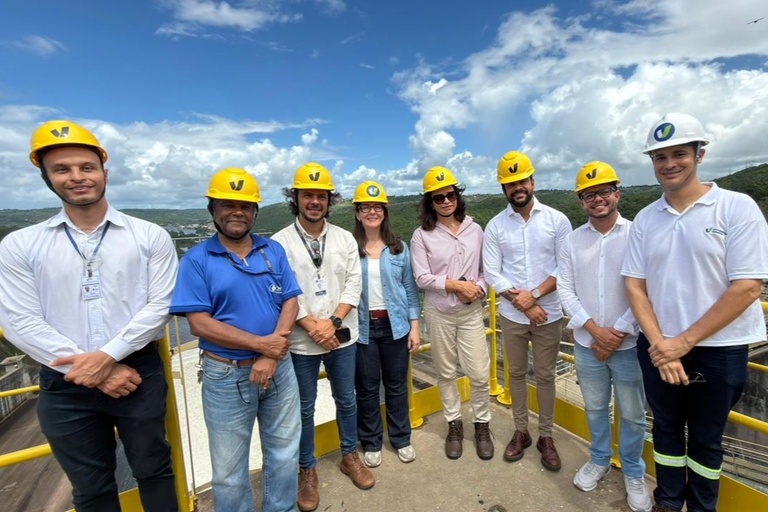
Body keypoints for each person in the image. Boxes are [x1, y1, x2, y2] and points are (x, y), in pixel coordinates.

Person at [0, 120, 178, 511]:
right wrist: (100, 368)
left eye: (86, 167)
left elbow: (159, 305)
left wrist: (105, 357)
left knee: (155, 471)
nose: (77, 177)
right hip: (66, 384)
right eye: (62, 169)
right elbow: (19, 321)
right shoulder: (21, 246)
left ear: (104, 173)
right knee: (91, 488)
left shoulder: (149, 236)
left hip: (138, 375)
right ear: (45, 176)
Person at [622, 113, 768, 512]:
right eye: (660, 157)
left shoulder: (736, 208)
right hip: (657, 346)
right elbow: (634, 285)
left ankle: (703, 508)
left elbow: (748, 287)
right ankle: (668, 502)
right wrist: (660, 345)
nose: (669, 163)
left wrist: (679, 345)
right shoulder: (647, 219)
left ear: (700, 155)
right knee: (666, 431)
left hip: (719, 349)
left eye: (679, 154)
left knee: (706, 437)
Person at [169, 168, 302, 512]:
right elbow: (199, 324)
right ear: (213, 210)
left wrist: (272, 354)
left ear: (255, 211)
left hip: (279, 368)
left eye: (245, 205)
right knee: (229, 471)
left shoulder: (272, 249)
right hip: (226, 375)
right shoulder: (197, 260)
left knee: (285, 452)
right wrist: (263, 347)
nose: (237, 212)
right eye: (228, 204)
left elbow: (290, 299)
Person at [271, 162, 371, 512]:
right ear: (295, 198)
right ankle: (307, 469)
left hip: (340, 336)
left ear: (330, 201)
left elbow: (354, 283)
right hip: (301, 341)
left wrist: (331, 322)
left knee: (347, 399)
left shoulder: (344, 238)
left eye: (321, 196)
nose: (315, 201)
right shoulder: (278, 243)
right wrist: (310, 325)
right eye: (308, 195)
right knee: (302, 408)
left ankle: (349, 455)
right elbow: (281, 292)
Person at [557, 162, 652, 512]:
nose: (597, 199)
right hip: (587, 342)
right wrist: (595, 331)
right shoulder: (572, 241)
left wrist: (619, 332)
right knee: (595, 407)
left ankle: (632, 472)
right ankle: (598, 458)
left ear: (617, 194)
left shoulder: (637, 234)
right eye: (588, 194)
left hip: (628, 344)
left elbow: (645, 286)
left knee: (632, 414)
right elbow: (565, 288)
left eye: (603, 192)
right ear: (581, 202)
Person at [483, 151, 571, 472]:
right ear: (504, 190)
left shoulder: (557, 220)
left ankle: (546, 437)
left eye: (521, 180)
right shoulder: (495, 226)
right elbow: (492, 272)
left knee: (546, 377)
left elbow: (565, 267)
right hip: (512, 315)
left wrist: (532, 297)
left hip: (547, 314)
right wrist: (520, 301)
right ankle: (522, 432)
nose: (517, 187)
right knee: (516, 375)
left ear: (533, 181)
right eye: (510, 183)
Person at [410, 166, 493, 461]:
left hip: (470, 313)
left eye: (450, 195)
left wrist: (478, 288)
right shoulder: (422, 236)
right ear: (430, 203)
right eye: (438, 197)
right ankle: (454, 424)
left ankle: (482, 424)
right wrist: (458, 286)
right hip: (440, 312)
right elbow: (422, 277)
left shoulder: (475, 229)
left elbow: (485, 270)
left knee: (480, 373)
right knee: (445, 372)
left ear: (457, 196)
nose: (446, 201)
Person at [351, 181, 421, 468]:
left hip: (395, 326)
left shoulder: (398, 248)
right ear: (357, 213)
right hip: (362, 327)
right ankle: (371, 442)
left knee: (396, 386)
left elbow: (409, 289)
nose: (372, 211)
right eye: (366, 207)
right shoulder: (349, 248)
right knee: (366, 388)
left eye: (377, 206)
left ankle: (401, 438)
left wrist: (414, 326)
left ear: (384, 212)